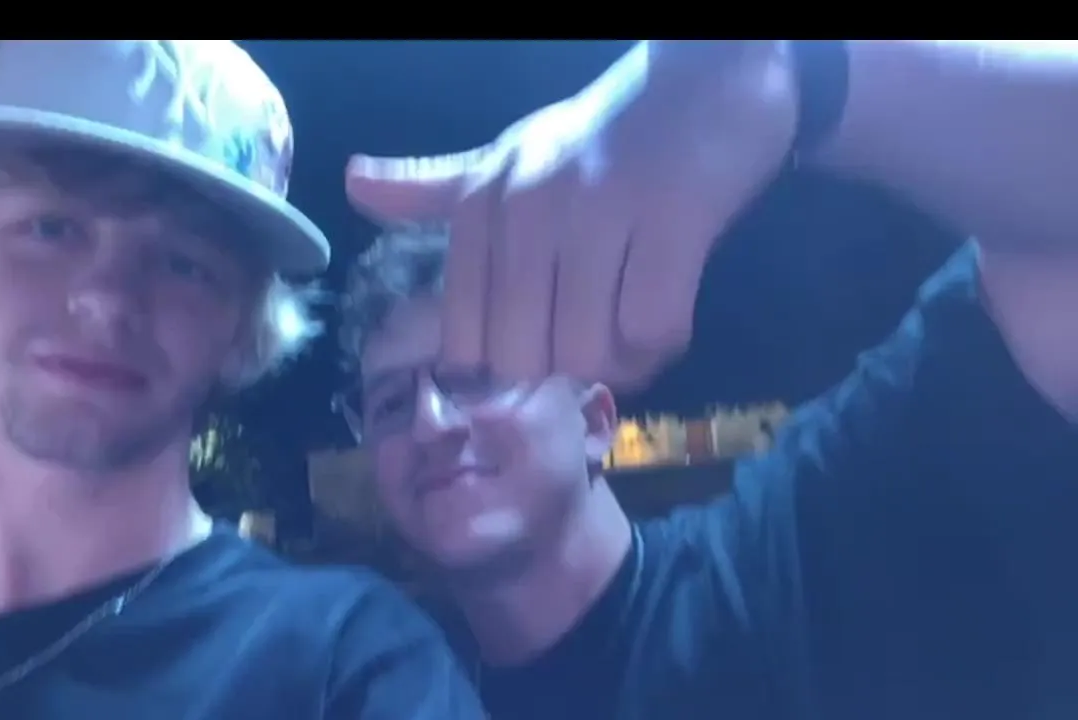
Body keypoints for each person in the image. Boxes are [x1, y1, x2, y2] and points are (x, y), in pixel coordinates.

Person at [342, 41, 1078, 719]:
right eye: (391, 402)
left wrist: (800, 75)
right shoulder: (375, 691)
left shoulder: (792, 555)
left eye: (475, 378)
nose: (430, 423)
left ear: (596, 421)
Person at [0, 40, 482, 719]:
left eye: (184, 262)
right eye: (51, 228)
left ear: (241, 331)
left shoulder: (347, 664)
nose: (108, 298)